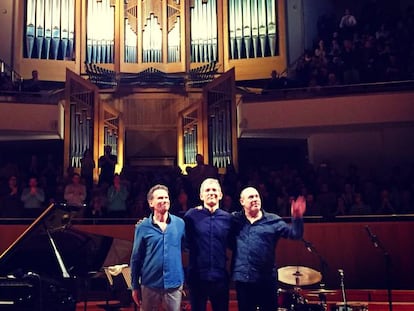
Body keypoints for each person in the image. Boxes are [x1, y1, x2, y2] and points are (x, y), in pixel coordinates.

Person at [231, 186, 306, 311]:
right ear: (242, 201)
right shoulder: (235, 219)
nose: (255, 199)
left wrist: (297, 217)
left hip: (266, 280)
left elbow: (295, 234)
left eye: (257, 196)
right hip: (244, 280)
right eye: (251, 197)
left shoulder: (273, 220)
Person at [130, 184, 185, 311]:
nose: (164, 200)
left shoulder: (180, 224)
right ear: (151, 203)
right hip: (150, 284)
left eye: (166, 197)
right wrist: (134, 286)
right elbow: (136, 258)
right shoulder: (142, 227)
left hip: (174, 284)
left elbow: (187, 246)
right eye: (160, 198)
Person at [183, 178, 233, 311]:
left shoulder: (228, 218)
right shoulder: (191, 216)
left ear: (221, 194)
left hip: (220, 278)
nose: (211, 192)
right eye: (207, 190)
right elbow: (183, 239)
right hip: (197, 277)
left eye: (214, 190)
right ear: (201, 195)